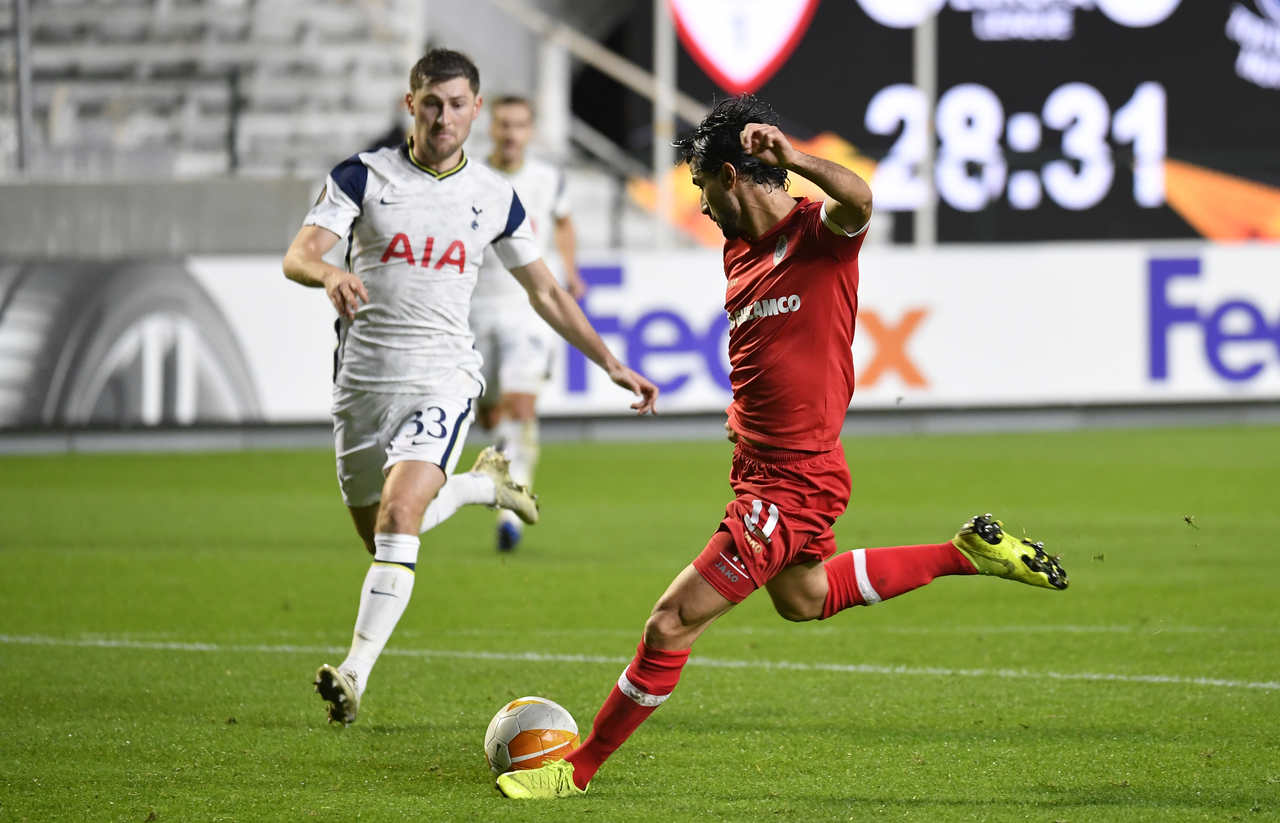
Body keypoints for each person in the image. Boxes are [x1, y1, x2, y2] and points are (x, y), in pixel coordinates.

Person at [495, 95, 1068, 800]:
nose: (703, 209)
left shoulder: (820, 234)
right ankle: (967, 552)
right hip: (758, 469)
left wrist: (795, 158)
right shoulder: (739, 250)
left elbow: (860, 199)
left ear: (731, 176)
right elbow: (767, 351)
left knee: (670, 622)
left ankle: (573, 772)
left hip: (793, 483)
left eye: (704, 190)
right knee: (803, 596)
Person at [281, 48, 659, 727]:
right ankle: (486, 484)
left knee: (402, 519)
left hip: (443, 377)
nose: (444, 116)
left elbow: (545, 288)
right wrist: (329, 274)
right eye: (431, 102)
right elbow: (299, 254)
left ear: (475, 111)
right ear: (410, 104)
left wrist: (609, 360)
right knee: (387, 535)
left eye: (457, 104)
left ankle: (354, 672)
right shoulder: (363, 177)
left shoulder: (493, 195)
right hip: (362, 388)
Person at [471, 95, 587, 552]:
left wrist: (572, 271)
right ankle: (505, 477)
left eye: (519, 125)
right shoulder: (473, 176)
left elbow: (563, 222)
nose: (510, 133)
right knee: (491, 415)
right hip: (479, 306)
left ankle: (509, 511)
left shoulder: (546, 178)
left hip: (530, 306)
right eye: (503, 124)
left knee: (522, 408)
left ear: (530, 130)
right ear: (491, 128)